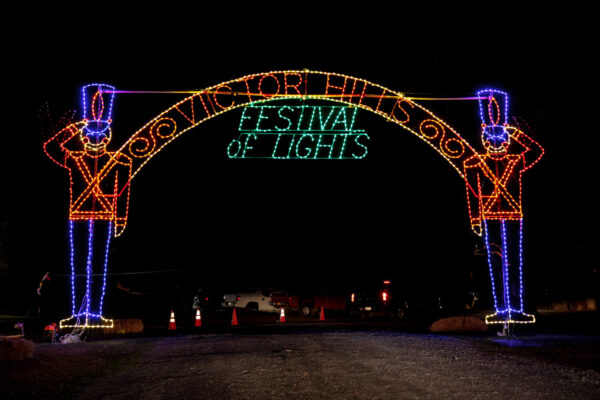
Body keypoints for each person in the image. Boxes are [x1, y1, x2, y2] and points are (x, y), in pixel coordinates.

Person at [43, 84, 132, 328]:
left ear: (108, 135)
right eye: (90, 135)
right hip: (79, 215)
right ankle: (78, 312)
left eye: (101, 134)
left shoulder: (119, 161)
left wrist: (121, 219)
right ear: (83, 137)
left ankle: (95, 313)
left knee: (99, 267)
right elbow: (51, 147)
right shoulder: (75, 159)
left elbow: (122, 191)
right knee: (79, 265)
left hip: (105, 216)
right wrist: (75, 126)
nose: (96, 140)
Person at [463, 89, 543, 324]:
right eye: (490, 139)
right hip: (490, 216)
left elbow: (536, 151)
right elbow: (472, 189)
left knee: (514, 263)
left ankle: (516, 309)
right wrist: (476, 219)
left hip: (513, 215)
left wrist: (517, 132)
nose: (496, 143)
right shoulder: (475, 163)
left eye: (501, 139)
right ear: (484, 139)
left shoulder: (515, 161)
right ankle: (501, 309)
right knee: (496, 262)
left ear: (507, 140)